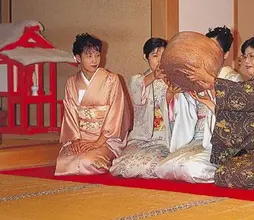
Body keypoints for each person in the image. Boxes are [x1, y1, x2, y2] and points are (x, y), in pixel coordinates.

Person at [184, 34, 254, 189]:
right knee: (222, 174)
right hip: (251, 150)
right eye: (244, 56)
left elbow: (243, 94)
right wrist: (210, 104)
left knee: (241, 175)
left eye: (252, 56)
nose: (246, 61)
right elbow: (238, 116)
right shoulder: (252, 84)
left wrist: (210, 80)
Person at [154, 26, 244, 183]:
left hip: (217, 142)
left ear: (226, 54)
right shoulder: (195, 75)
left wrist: (210, 92)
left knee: (192, 168)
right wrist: (175, 93)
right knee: (163, 168)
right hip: (196, 137)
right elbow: (185, 110)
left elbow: (234, 119)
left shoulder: (231, 78)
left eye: (214, 49)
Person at [55, 33, 131, 176]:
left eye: (97, 55)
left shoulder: (112, 80)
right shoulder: (72, 82)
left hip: (106, 138)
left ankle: (110, 158)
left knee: (86, 162)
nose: (95, 60)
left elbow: (116, 113)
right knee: (65, 162)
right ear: (78, 58)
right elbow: (70, 113)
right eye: (89, 56)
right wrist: (76, 140)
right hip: (81, 136)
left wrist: (98, 142)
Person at [109, 38, 180, 178]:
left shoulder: (174, 81)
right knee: (123, 167)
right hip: (141, 138)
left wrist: (172, 92)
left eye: (163, 56)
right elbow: (137, 89)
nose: (160, 61)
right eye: (155, 56)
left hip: (164, 138)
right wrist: (154, 76)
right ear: (145, 57)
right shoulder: (138, 79)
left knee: (151, 166)